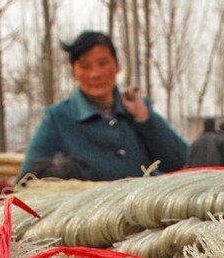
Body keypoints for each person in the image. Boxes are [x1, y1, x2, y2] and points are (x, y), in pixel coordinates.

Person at [18, 31, 187, 181]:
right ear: (74, 72)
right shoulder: (58, 118)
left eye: (103, 63)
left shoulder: (137, 110)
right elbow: (27, 179)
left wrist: (145, 119)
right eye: (85, 66)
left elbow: (182, 163)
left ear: (117, 66)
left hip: (146, 213)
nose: (95, 74)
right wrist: (67, 173)